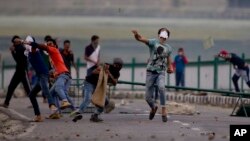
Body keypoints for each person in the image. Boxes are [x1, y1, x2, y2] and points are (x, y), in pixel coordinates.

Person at [132, 28, 173, 122]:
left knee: (162, 87)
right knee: (147, 97)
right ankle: (153, 108)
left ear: (167, 37)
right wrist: (136, 35)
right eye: (161, 35)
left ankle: (163, 110)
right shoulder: (153, 42)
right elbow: (140, 39)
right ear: (159, 35)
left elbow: (169, 60)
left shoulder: (169, 48)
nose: (163, 37)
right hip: (150, 72)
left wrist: (170, 68)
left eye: (165, 36)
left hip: (161, 72)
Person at [19, 38, 73, 110]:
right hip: (60, 75)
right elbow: (55, 69)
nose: (49, 45)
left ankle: (65, 102)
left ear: (54, 45)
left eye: (50, 44)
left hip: (63, 74)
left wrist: (27, 42)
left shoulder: (54, 50)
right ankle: (57, 112)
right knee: (52, 93)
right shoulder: (51, 56)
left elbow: (41, 46)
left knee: (58, 89)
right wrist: (52, 75)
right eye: (48, 44)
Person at [71, 58, 123, 122]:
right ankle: (78, 113)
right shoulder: (106, 66)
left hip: (98, 87)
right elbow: (94, 71)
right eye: (116, 65)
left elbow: (115, 82)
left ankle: (95, 115)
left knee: (103, 102)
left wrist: (109, 74)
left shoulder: (117, 74)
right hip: (89, 83)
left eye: (119, 66)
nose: (117, 67)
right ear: (114, 64)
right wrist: (103, 71)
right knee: (88, 98)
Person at [23, 36, 57, 122]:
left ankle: (52, 104)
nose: (26, 43)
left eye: (28, 41)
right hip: (39, 75)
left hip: (43, 73)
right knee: (31, 95)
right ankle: (38, 116)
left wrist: (27, 42)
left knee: (45, 88)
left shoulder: (34, 50)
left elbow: (35, 46)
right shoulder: (28, 52)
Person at [0, 36, 31, 108]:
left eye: (14, 42)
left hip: (22, 72)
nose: (13, 44)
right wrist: (13, 51)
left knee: (27, 89)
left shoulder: (21, 48)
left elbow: (18, 60)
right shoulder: (19, 48)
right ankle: (6, 103)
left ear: (17, 42)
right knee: (11, 87)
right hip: (19, 71)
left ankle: (34, 103)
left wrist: (12, 52)